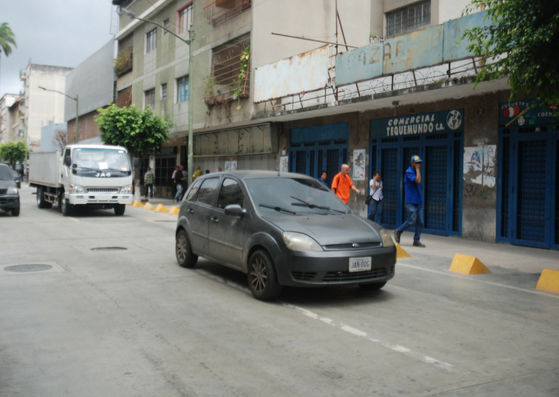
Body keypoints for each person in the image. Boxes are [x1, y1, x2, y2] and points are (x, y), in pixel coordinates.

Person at [394, 155, 425, 247]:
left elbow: (419, 180)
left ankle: (416, 240)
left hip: (419, 200)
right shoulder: (409, 171)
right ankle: (398, 231)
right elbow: (418, 181)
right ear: (412, 163)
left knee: (420, 221)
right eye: (416, 163)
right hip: (410, 201)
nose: (418, 165)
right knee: (412, 219)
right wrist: (418, 169)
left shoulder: (416, 171)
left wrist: (418, 170)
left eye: (419, 163)